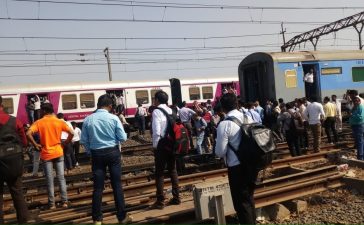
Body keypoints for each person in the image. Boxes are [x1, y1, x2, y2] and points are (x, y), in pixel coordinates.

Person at [80, 94, 132, 224]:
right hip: (112, 153)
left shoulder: (88, 119)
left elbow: (84, 141)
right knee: (117, 185)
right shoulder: (113, 118)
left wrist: (90, 152)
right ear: (109, 106)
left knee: (98, 188)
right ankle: (122, 217)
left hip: (96, 154)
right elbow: (123, 138)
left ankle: (97, 219)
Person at [215, 93, 257, 224]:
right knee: (249, 198)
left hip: (236, 168)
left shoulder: (225, 124)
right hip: (252, 165)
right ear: (237, 104)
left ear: (223, 108)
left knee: (241, 203)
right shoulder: (248, 118)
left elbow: (220, 152)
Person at [26, 103, 74, 209]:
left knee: (49, 179)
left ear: (43, 111)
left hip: (46, 154)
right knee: (61, 178)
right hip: (58, 152)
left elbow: (28, 133)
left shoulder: (39, 122)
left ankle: (52, 204)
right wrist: (65, 143)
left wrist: (35, 144)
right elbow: (71, 132)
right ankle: (65, 202)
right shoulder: (59, 121)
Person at [0, 96, 31, 224]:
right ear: (2, 104)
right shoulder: (15, 121)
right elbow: (24, 142)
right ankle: (23, 220)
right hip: (14, 163)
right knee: (17, 192)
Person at [150, 90, 180, 209]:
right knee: (173, 170)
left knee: (160, 172)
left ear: (157, 100)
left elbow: (157, 131)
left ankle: (160, 200)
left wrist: (155, 146)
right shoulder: (172, 110)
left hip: (162, 145)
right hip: (172, 144)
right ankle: (176, 197)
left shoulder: (156, 111)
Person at [349, 96, 364, 160]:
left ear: (359, 101)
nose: (355, 102)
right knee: (359, 141)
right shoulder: (354, 107)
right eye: (354, 101)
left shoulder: (360, 107)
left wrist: (352, 115)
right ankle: (360, 156)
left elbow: (361, 117)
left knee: (360, 141)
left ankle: (360, 157)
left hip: (359, 125)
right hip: (354, 125)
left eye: (357, 101)